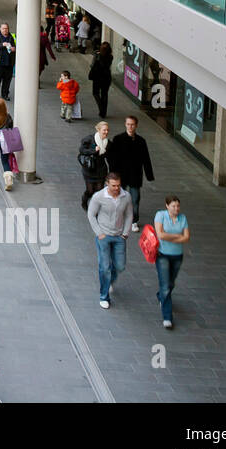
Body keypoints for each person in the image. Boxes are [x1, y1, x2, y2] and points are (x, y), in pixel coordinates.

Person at [88, 172, 133, 309]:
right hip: (104, 236)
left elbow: (129, 215)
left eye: (118, 185)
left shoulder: (126, 196)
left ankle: (110, 280)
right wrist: (99, 233)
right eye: (113, 185)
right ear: (107, 184)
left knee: (120, 265)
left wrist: (125, 233)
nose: (116, 188)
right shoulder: (99, 197)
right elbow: (91, 214)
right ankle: (104, 295)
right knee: (104, 267)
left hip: (119, 236)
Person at [108, 115, 154, 232]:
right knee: (118, 198)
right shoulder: (118, 139)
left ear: (136, 126)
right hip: (121, 175)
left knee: (135, 199)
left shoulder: (141, 141)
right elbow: (112, 158)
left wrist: (149, 175)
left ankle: (133, 221)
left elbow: (146, 158)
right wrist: (112, 174)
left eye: (132, 124)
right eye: (128, 124)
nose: (130, 126)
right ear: (125, 124)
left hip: (135, 175)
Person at [154, 195, 190, 329]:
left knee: (171, 282)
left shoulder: (183, 218)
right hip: (163, 254)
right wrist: (177, 237)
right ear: (167, 206)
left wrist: (170, 237)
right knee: (165, 285)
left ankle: (161, 296)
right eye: (173, 206)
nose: (176, 209)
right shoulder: (160, 215)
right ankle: (167, 317)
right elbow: (160, 235)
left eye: (178, 206)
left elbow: (186, 238)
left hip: (177, 255)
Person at [78, 120, 111, 211]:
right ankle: (84, 201)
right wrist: (94, 150)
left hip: (101, 170)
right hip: (89, 169)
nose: (106, 132)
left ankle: (94, 208)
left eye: (108, 130)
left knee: (99, 190)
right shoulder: (89, 139)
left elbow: (109, 157)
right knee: (90, 190)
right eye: (104, 130)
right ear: (98, 130)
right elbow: (82, 150)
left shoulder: (108, 143)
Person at [88, 42, 113, 118]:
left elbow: (92, 65)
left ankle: (101, 108)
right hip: (106, 77)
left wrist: (96, 56)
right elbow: (107, 65)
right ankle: (103, 112)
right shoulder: (110, 56)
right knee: (104, 94)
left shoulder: (98, 55)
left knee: (95, 93)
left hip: (97, 77)